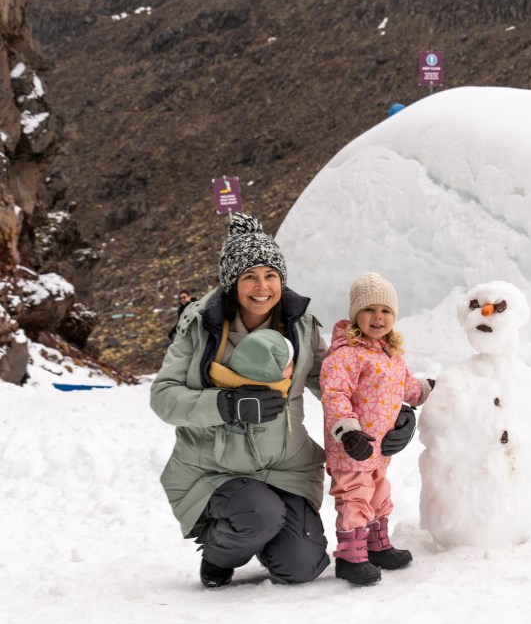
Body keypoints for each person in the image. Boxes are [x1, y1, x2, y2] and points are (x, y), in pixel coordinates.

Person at [151, 213, 332, 587]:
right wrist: (224, 405)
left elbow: (336, 383)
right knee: (259, 513)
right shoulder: (201, 327)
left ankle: (264, 533)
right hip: (215, 469)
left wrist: (387, 412)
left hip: (286, 467)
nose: (261, 287)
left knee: (301, 566)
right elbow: (163, 397)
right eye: (249, 276)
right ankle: (221, 552)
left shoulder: (301, 326)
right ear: (232, 283)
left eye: (270, 276)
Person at [320, 272, 434, 586]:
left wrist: (428, 389)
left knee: (379, 495)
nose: (378, 317)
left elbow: (405, 386)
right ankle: (350, 556)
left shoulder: (390, 354)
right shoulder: (345, 355)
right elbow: (335, 394)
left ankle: (376, 544)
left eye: (385, 311)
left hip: (380, 449)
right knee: (355, 497)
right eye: (370, 310)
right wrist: (348, 431)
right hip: (352, 446)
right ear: (356, 314)